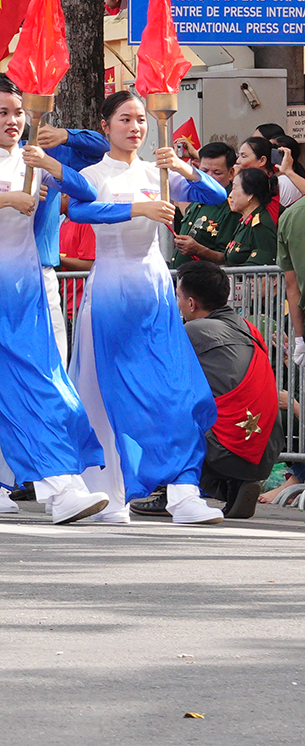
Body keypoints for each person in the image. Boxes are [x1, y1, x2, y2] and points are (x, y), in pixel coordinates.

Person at [0, 76, 110, 524]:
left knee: (43, 385)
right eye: (3, 112)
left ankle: (61, 488)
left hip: (26, 288)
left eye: (18, 112)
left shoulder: (39, 158)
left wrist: (52, 167)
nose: (13, 121)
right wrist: (5, 200)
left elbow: (88, 192)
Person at [64, 90, 228, 525]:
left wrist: (184, 167)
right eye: (125, 120)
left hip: (154, 288)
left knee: (176, 390)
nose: (135, 128)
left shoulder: (158, 171)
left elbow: (215, 195)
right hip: (112, 290)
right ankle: (107, 496)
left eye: (140, 120)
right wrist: (138, 207)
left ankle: (183, 493)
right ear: (106, 126)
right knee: (104, 394)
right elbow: (81, 213)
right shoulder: (94, 173)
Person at [132, 261, 279, 521]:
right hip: (264, 449)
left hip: (228, 449)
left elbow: (155, 380)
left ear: (191, 303)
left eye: (177, 297)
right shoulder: (248, 328)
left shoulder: (193, 330)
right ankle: (231, 486)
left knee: (159, 406)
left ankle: (173, 491)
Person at [172, 143, 239, 267]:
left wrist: (199, 250)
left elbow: (228, 258)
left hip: (205, 280)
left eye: (217, 173)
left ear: (231, 173)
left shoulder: (232, 207)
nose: (209, 178)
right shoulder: (197, 196)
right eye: (204, 171)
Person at [219, 167, 278, 266]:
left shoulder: (261, 225)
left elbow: (262, 266)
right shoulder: (245, 221)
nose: (230, 195)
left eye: (234, 189)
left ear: (250, 194)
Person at [236, 135, 300, 209]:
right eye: (238, 156)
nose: (238, 161)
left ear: (262, 160)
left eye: (244, 156)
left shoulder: (282, 183)